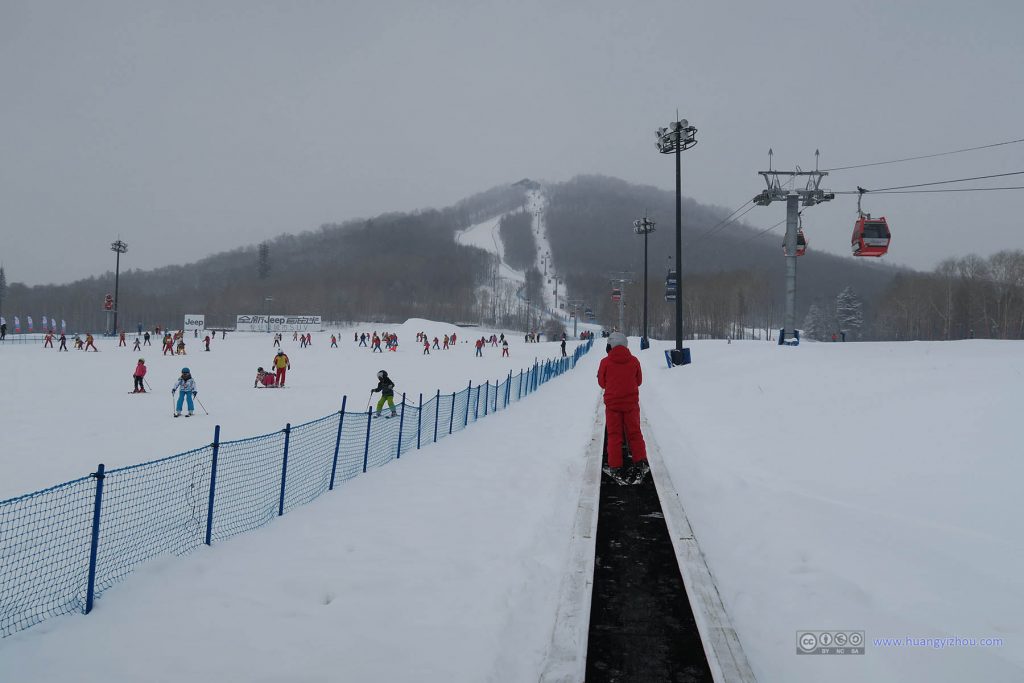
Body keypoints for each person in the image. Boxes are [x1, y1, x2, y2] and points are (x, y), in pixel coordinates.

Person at [597, 332, 649, 483]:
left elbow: (601, 383)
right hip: (631, 405)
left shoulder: (605, 362)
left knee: (614, 436)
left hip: (613, 405)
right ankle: (640, 463)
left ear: (611, 345)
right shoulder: (634, 361)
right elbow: (639, 381)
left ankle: (615, 466)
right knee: (634, 433)